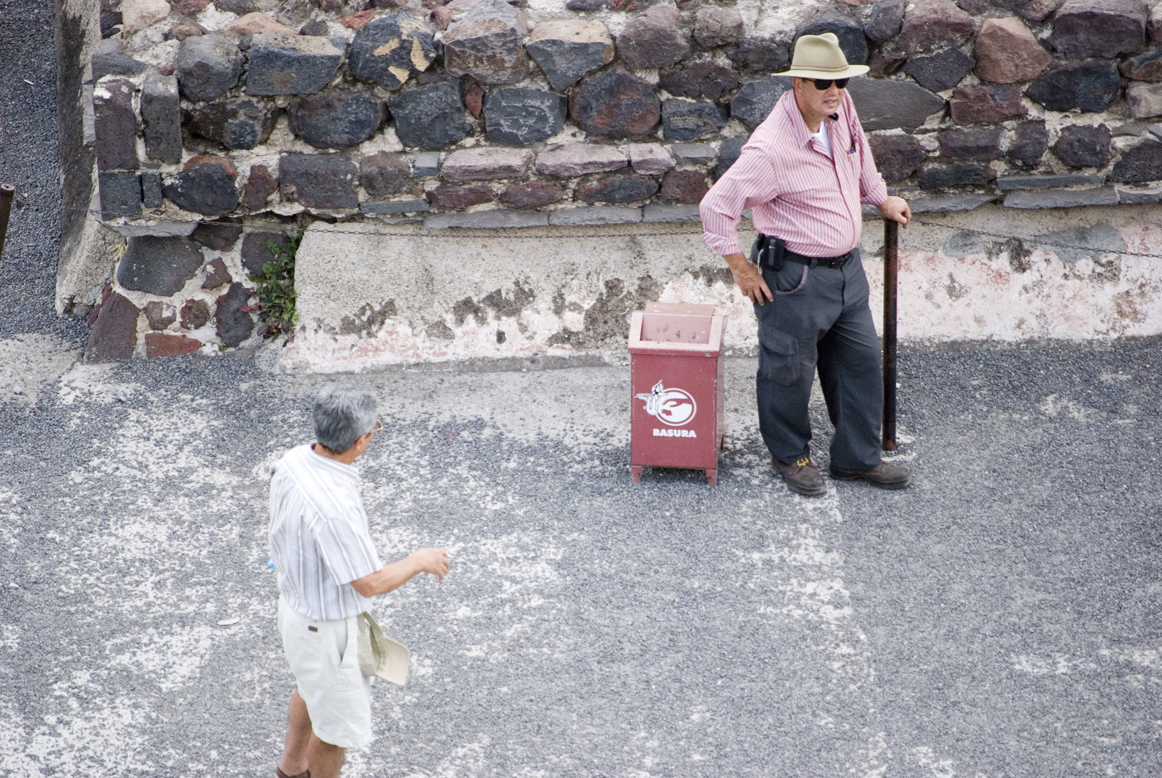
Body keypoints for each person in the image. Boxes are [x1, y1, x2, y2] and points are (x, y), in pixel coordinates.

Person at [699, 32, 913, 497]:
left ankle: (857, 459)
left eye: (841, 82)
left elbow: (861, 158)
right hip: (794, 278)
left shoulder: (840, 111)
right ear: (797, 84)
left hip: (846, 272)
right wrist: (740, 267)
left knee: (859, 364)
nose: (834, 92)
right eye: (822, 83)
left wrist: (881, 199)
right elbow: (716, 207)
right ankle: (790, 454)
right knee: (788, 371)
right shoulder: (770, 149)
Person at [270, 385, 450, 778]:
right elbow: (369, 582)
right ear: (359, 440)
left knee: (308, 689)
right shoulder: (335, 508)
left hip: (295, 610)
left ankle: (290, 768)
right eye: (375, 430)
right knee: (334, 733)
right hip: (326, 630)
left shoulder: (294, 460)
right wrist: (420, 559)